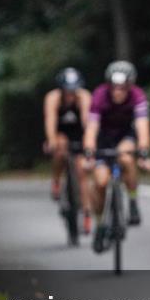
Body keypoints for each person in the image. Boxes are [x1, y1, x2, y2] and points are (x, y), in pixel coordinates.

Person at [82, 60, 150, 252]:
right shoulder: (99, 96)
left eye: (123, 88)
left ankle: (132, 202)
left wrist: (144, 152)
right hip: (103, 140)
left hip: (125, 136)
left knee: (125, 157)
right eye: (114, 87)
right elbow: (91, 128)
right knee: (100, 182)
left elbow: (142, 127)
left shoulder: (138, 96)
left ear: (130, 86)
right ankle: (100, 225)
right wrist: (89, 153)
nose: (118, 92)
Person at [43, 67, 93, 230]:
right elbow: (50, 120)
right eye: (67, 91)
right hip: (61, 134)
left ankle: (86, 212)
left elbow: (87, 122)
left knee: (82, 172)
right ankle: (57, 180)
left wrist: (89, 145)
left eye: (73, 91)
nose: (70, 94)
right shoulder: (53, 98)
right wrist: (51, 140)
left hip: (80, 135)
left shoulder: (84, 97)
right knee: (60, 146)